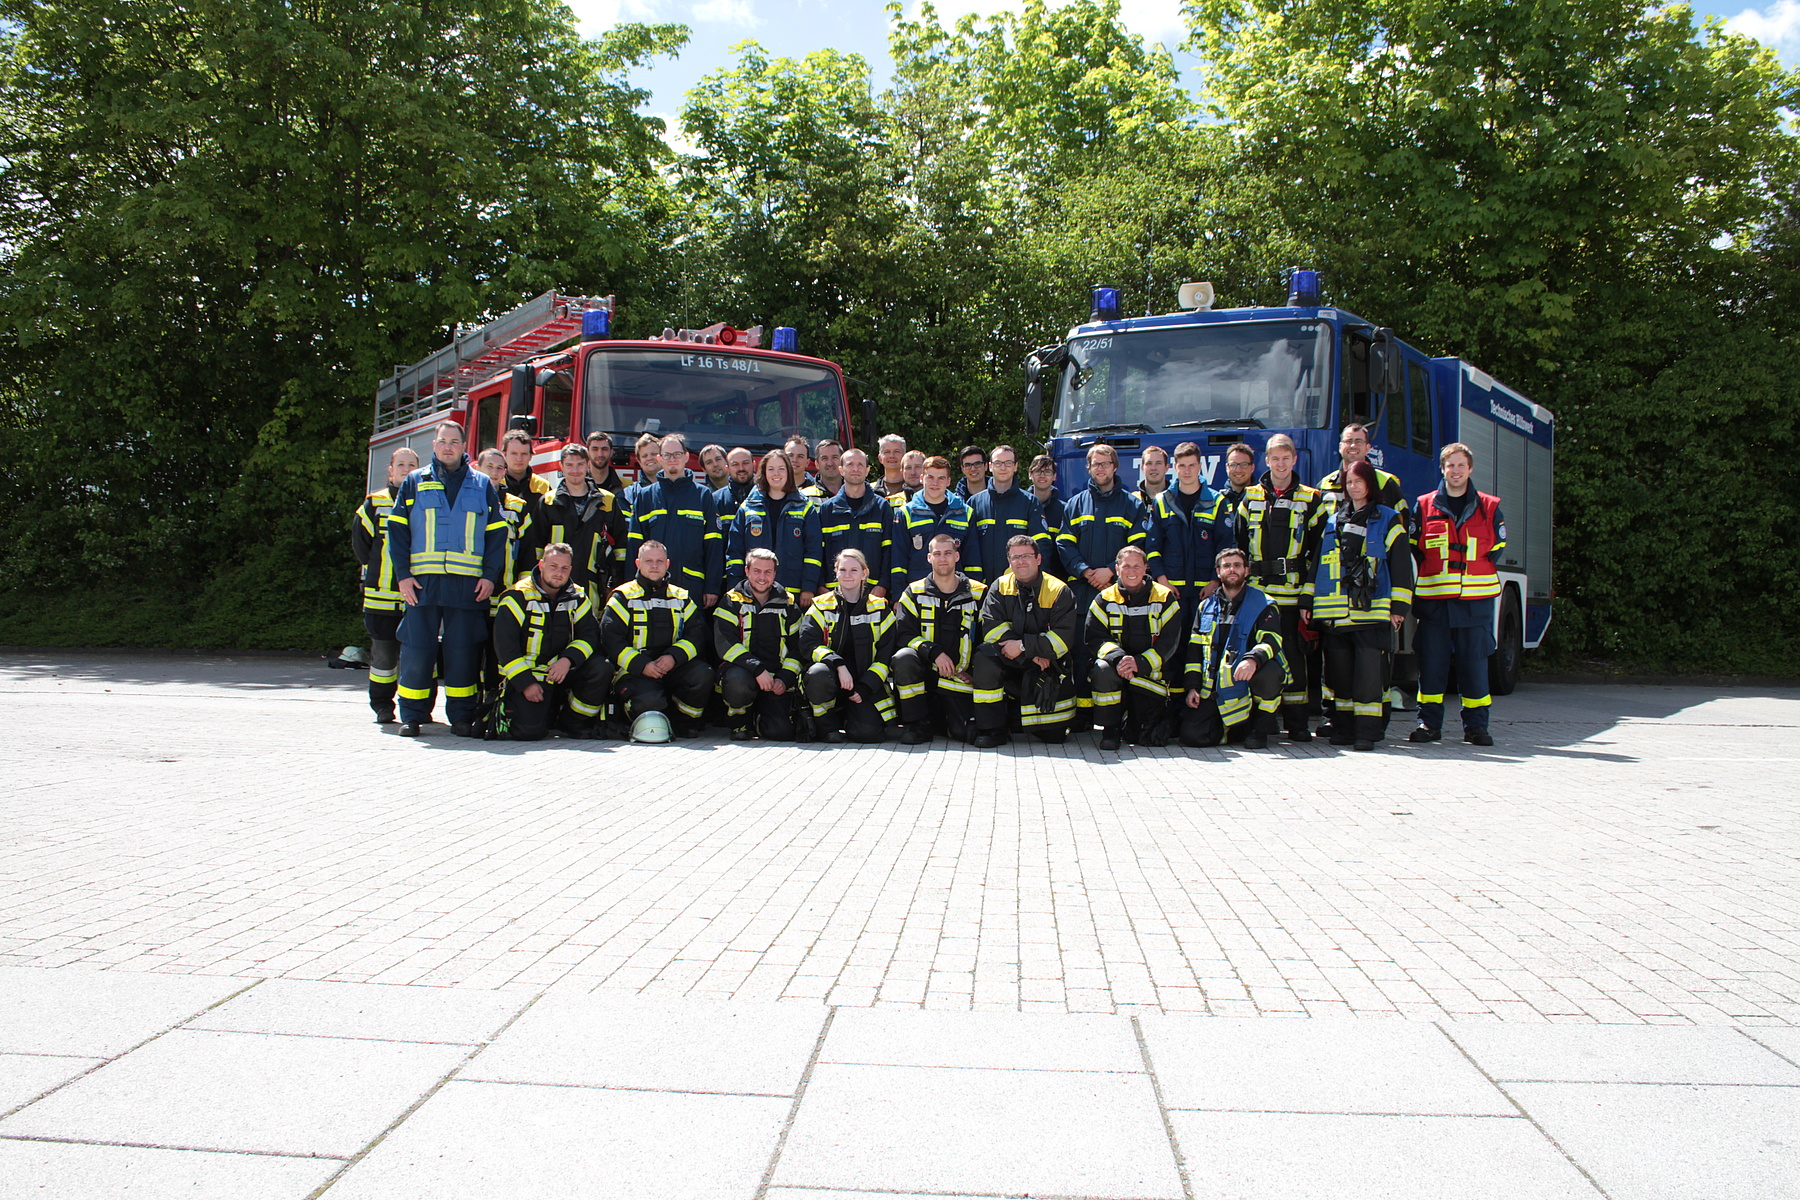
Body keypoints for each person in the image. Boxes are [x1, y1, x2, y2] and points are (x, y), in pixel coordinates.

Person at [384, 421, 507, 737]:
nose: (448, 447)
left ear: (465, 446)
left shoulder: (482, 485)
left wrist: (491, 577)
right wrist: (403, 577)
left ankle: (462, 717)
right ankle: (412, 715)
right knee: (417, 649)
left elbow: (496, 536)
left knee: (462, 651)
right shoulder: (414, 481)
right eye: (442, 442)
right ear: (434, 446)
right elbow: (397, 531)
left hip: (467, 584)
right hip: (422, 583)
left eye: (454, 441)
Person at [1409, 442, 1506, 746]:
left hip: (1474, 604)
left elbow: (1498, 548)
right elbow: (1415, 547)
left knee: (1474, 668)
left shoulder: (1489, 506)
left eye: (1461, 465)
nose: (1455, 471)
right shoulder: (1424, 505)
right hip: (1435, 603)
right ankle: (1428, 724)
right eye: (1450, 465)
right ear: (1442, 469)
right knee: (1432, 667)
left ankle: (1476, 727)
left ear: (1470, 468)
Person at [1313, 460, 1413, 751]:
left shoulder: (1388, 518)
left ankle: (1367, 732)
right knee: (1339, 678)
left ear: (1370, 484)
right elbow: (1319, 564)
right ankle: (1344, 730)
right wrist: (1309, 601)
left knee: (1369, 678)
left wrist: (1399, 608)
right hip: (1336, 615)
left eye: (1359, 481)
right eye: (1349, 482)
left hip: (1372, 613)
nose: (1353, 486)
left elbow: (1401, 565)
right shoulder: (1334, 521)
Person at [1234, 434, 1325, 741]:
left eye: (1286, 458)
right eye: (1276, 458)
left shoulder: (1312, 499)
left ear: (1294, 460)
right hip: (1258, 595)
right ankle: (1264, 722)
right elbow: (1239, 545)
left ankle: (1298, 725)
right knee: (1259, 655)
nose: (1281, 464)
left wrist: (1308, 596)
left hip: (1294, 593)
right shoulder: (1250, 497)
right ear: (1267, 460)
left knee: (1295, 659)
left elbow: (1320, 554)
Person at [1056, 442, 1148, 722]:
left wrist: (1110, 571)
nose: (1100, 469)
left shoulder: (1132, 504)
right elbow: (1064, 544)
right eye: (1096, 464)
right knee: (1082, 654)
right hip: (1084, 593)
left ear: (1115, 467)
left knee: (1122, 652)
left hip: (1121, 593)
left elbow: (1139, 545)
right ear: (1089, 467)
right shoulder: (1075, 504)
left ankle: (1121, 715)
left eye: (1105, 463)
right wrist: (1086, 571)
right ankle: (1084, 715)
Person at [492, 542, 610, 740]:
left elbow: (590, 635)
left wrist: (567, 660)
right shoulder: (517, 597)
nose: (559, 573)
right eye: (553, 566)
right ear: (541, 565)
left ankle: (572, 721)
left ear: (570, 570)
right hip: (529, 676)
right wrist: (525, 683)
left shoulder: (577, 596)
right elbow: (505, 647)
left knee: (601, 668)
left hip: (561, 671)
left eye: (564, 568)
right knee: (528, 732)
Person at [970, 534, 1077, 746]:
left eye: (1026, 556)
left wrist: (1023, 646)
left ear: (1038, 559)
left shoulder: (1058, 590)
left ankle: (1025, 720)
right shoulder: (999, 586)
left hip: (1048, 665)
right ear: (1009, 561)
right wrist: (1025, 652)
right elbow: (991, 627)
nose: (1021, 561)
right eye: (1015, 557)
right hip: (1013, 659)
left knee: (1054, 738)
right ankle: (991, 729)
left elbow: (1062, 640)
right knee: (984, 656)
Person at [600, 540, 715, 738]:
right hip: (636, 670)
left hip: (672, 666)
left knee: (703, 674)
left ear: (667, 564)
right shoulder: (622, 597)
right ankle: (638, 717)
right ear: (638, 563)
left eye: (659, 561)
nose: (654, 566)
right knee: (650, 703)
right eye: (649, 561)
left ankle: (684, 723)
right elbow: (610, 638)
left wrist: (673, 657)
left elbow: (697, 633)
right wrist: (642, 664)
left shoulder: (681, 597)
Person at [1181, 548, 1287, 749]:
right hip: (1216, 687)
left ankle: (1260, 728)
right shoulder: (1205, 607)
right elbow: (1195, 650)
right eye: (1227, 566)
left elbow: (1271, 639)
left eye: (1237, 565)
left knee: (1271, 672)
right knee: (1191, 736)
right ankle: (1236, 730)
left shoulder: (1264, 603)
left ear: (1246, 570)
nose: (1232, 570)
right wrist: (1193, 687)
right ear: (1218, 572)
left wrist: (1253, 660)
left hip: (1249, 680)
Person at [1085, 545, 1183, 750]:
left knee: (1142, 736)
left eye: (1137, 566)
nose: (1132, 571)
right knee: (1101, 670)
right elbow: (1095, 638)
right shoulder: (1104, 599)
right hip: (1117, 668)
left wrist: (1139, 663)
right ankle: (1109, 731)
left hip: (1150, 675)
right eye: (1126, 566)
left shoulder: (1165, 597)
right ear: (1117, 568)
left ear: (1146, 568)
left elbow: (1169, 641)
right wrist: (1120, 659)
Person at [891, 533, 986, 744]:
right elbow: (904, 634)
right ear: (929, 558)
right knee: (903, 658)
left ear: (957, 556)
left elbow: (987, 637)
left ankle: (939, 722)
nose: (943, 559)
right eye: (937, 554)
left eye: (948, 553)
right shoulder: (913, 592)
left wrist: (973, 672)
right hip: (925, 675)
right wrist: (934, 653)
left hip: (960, 678)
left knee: (962, 734)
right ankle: (916, 725)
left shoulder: (978, 593)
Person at [351, 445, 420, 723]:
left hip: (416, 597)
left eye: (411, 465)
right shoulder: (375, 503)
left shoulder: (426, 499)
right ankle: (382, 706)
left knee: (416, 659)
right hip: (381, 596)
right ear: (390, 470)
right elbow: (361, 545)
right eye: (401, 465)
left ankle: (415, 710)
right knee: (383, 658)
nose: (406, 470)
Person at [798, 548, 896, 742]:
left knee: (867, 733)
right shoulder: (820, 605)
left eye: (854, 570)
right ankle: (827, 726)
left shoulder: (880, 607)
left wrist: (866, 686)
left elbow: (886, 654)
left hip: (863, 683)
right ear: (835, 573)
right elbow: (808, 643)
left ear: (864, 573)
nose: (847, 575)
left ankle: (848, 717)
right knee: (817, 673)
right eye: (842, 570)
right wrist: (837, 664)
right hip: (831, 678)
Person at [714, 547, 802, 741]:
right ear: (746, 571)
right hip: (743, 673)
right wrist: (757, 670)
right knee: (738, 682)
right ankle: (739, 724)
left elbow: (798, 647)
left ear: (775, 573)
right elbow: (725, 644)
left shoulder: (788, 603)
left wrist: (785, 678)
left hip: (775, 680)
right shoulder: (731, 601)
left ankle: (759, 719)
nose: (762, 577)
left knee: (781, 732)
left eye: (768, 572)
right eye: (757, 571)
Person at [628, 433, 724, 608]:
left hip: (692, 587)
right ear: (660, 458)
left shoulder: (702, 496)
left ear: (686, 456)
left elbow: (714, 547)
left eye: (677, 454)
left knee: (692, 634)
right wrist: (631, 586)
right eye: (667, 455)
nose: (672, 459)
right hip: (651, 587)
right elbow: (635, 545)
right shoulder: (645, 496)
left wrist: (712, 586)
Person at [1146, 441, 1228, 631]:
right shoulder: (1162, 501)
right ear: (1175, 467)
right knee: (1173, 645)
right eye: (1182, 466)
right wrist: (1163, 582)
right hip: (1172, 590)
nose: (1187, 471)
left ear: (1200, 466)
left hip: (1206, 590)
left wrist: (1215, 581)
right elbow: (1152, 546)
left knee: (1203, 643)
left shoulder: (1216, 501)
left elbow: (1224, 547)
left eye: (1192, 465)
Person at [726, 448, 822, 604]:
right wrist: (735, 586)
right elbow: (735, 551)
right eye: (771, 469)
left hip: (793, 590)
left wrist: (808, 587)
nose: (776, 474)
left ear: (789, 473)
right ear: (763, 473)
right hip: (753, 591)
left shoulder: (805, 507)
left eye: (781, 469)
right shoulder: (748, 507)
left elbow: (813, 552)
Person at [528, 444, 627, 595]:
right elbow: (536, 547)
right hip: (555, 584)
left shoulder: (607, 500)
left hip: (595, 583)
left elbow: (621, 546)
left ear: (588, 465)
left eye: (580, 464)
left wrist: (617, 581)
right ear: (561, 466)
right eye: (569, 465)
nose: (575, 470)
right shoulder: (548, 502)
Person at [818, 447, 895, 599]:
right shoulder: (827, 510)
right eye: (850, 464)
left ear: (867, 470)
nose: (855, 469)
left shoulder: (881, 507)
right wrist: (820, 585)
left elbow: (890, 551)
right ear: (841, 470)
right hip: (834, 594)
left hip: (872, 593)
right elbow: (817, 551)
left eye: (860, 465)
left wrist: (883, 585)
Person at [966, 444, 1049, 586]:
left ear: (1016, 466)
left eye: (1008, 463)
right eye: (998, 463)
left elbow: (1041, 545)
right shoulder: (974, 503)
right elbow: (968, 548)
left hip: (1020, 585)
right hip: (982, 586)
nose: (1003, 468)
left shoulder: (1029, 502)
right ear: (990, 466)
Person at [896, 455, 979, 588]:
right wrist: (898, 595)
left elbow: (973, 559)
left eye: (941, 478)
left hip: (956, 590)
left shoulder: (965, 512)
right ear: (922, 478)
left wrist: (974, 591)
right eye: (930, 477)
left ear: (948, 481)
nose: (935, 483)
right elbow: (898, 559)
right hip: (917, 590)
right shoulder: (906, 513)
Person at [475, 448, 535, 592]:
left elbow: (527, 553)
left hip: (506, 591)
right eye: (489, 467)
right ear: (477, 469)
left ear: (504, 472)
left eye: (499, 468)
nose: (494, 472)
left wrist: (524, 589)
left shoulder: (517, 506)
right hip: (471, 590)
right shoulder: (466, 502)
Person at [1317, 423, 1407, 513]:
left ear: (1367, 448)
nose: (1353, 446)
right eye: (1348, 441)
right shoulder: (1325, 485)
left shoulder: (1386, 483)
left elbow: (1402, 520)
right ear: (1340, 447)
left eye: (1358, 442)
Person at [1026, 454, 1067, 577]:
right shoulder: (1021, 506)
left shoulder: (1065, 510)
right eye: (1038, 471)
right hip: (1024, 576)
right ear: (1030, 475)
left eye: (1047, 471)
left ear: (1054, 476)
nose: (1042, 475)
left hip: (1057, 577)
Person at [499, 430, 551, 504]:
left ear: (531, 456)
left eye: (524, 454)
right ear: (504, 455)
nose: (519, 459)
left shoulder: (542, 486)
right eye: (514, 453)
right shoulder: (496, 484)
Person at [714, 446, 757, 528]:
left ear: (754, 464)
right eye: (735, 464)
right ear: (727, 468)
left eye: (745, 463)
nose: (741, 468)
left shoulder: (766, 495)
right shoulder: (716, 500)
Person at [586, 431, 626, 495]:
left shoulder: (626, 488)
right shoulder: (578, 485)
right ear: (587, 452)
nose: (600, 454)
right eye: (595, 449)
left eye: (604, 449)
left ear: (611, 452)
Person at [872, 433, 908, 498]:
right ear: (880, 458)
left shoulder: (915, 489)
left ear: (904, 456)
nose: (892, 456)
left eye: (897, 451)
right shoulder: (869, 490)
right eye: (887, 452)